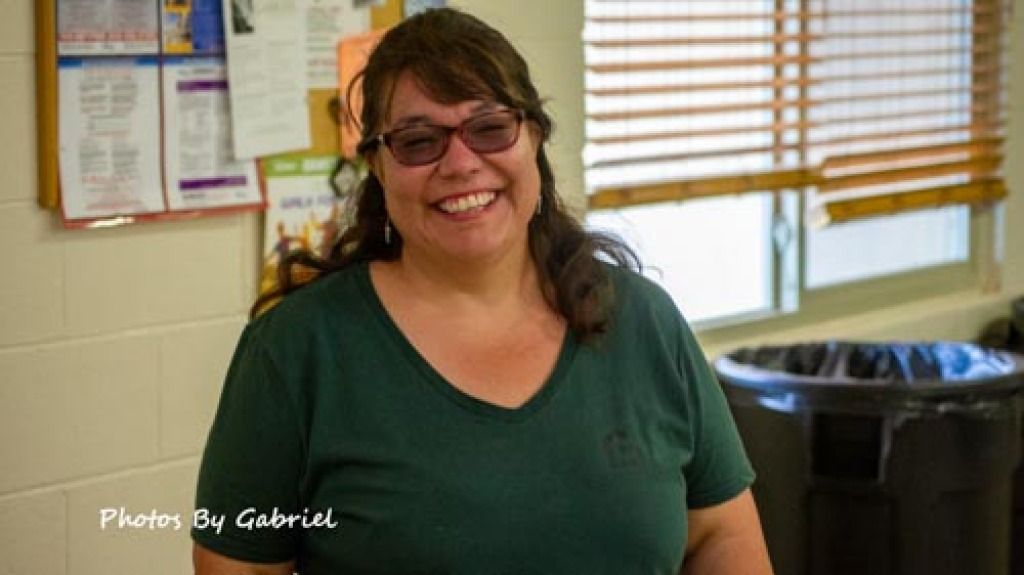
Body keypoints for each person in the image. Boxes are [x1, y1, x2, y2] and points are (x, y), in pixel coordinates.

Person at [192, 8, 773, 575]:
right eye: (419, 141)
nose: (461, 163)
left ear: (534, 138)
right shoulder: (295, 350)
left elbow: (721, 532)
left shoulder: (643, 321)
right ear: (378, 167)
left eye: (490, 128)